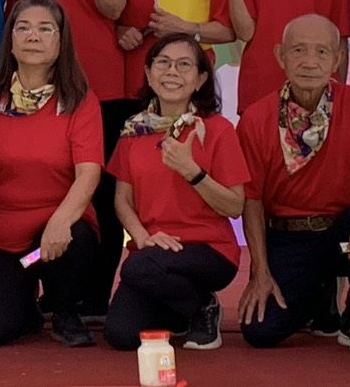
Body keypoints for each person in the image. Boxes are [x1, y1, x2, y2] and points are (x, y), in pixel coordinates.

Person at [7, 0, 131, 320]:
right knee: (49, 190)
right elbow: (14, 23)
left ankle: (94, 297)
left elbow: (117, 9)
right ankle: (50, 288)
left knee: (101, 197)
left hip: (100, 92)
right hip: (39, 95)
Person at [0, 0, 103, 348]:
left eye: (45, 29)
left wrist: (60, 222)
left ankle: (65, 310)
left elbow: (89, 174)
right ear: (11, 40)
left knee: (76, 238)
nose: (33, 36)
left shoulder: (79, 99)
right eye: (23, 28)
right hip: (9, 243)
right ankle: (26, 302)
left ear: (61, 41)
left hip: (57, 233)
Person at [237, 15, 350, 354]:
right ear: (281, 56)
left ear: (338, 59)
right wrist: (261, 271)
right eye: (298, 50)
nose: (310, 62)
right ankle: (319, 295)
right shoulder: (255, 117)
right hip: (289, 236)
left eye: (322, 52)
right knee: (260, 331)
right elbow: (252, 200)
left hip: (346, 230)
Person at [105, 32, 248, 352]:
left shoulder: (218, 130)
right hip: (153, 249)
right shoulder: (134, 130)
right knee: (121, 334)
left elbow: (235, 205)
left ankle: (203, 306)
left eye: (184, 65)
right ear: (148, 73)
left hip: (208, 249)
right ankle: (186, 309)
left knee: (137, 268)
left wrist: (192, 172)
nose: (172, 71)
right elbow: (122, 200)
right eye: (163, 63)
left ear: (200, 79)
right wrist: (142, 237)